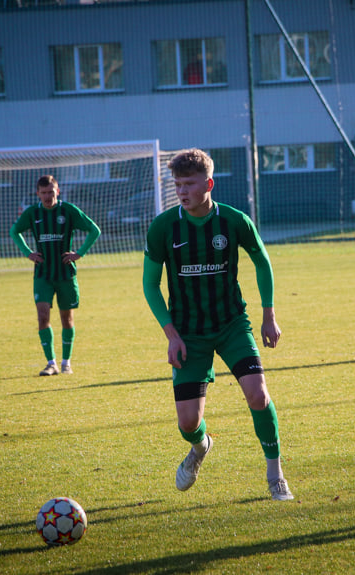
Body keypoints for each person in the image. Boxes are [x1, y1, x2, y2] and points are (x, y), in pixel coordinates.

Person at [142, 148, 294, 501]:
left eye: (189, 184)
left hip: (231, 324)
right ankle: (200, 447)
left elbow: (262, 261)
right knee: (188, 423)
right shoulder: (164, 227)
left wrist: (268, 315)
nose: (182, 191)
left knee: (258, 395)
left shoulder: (235, 220)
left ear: (208, 183)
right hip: (188, 333)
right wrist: (171, 334)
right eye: (177, 184)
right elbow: (150, 284)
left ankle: (275, 475)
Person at [10, 175, 101, 376]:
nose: (47, 196)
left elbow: (94, 230)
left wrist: (79, 253)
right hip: (42, 274)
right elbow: (14, 231)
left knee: (66, 319)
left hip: (65, 273)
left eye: (51, 192)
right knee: (43, 316)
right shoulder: (32, 213)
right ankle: (51, 363)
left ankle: (66, 362)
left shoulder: (67, 211)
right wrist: (28, 252)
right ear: (38, 194)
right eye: (43, 193)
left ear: (57, 191)